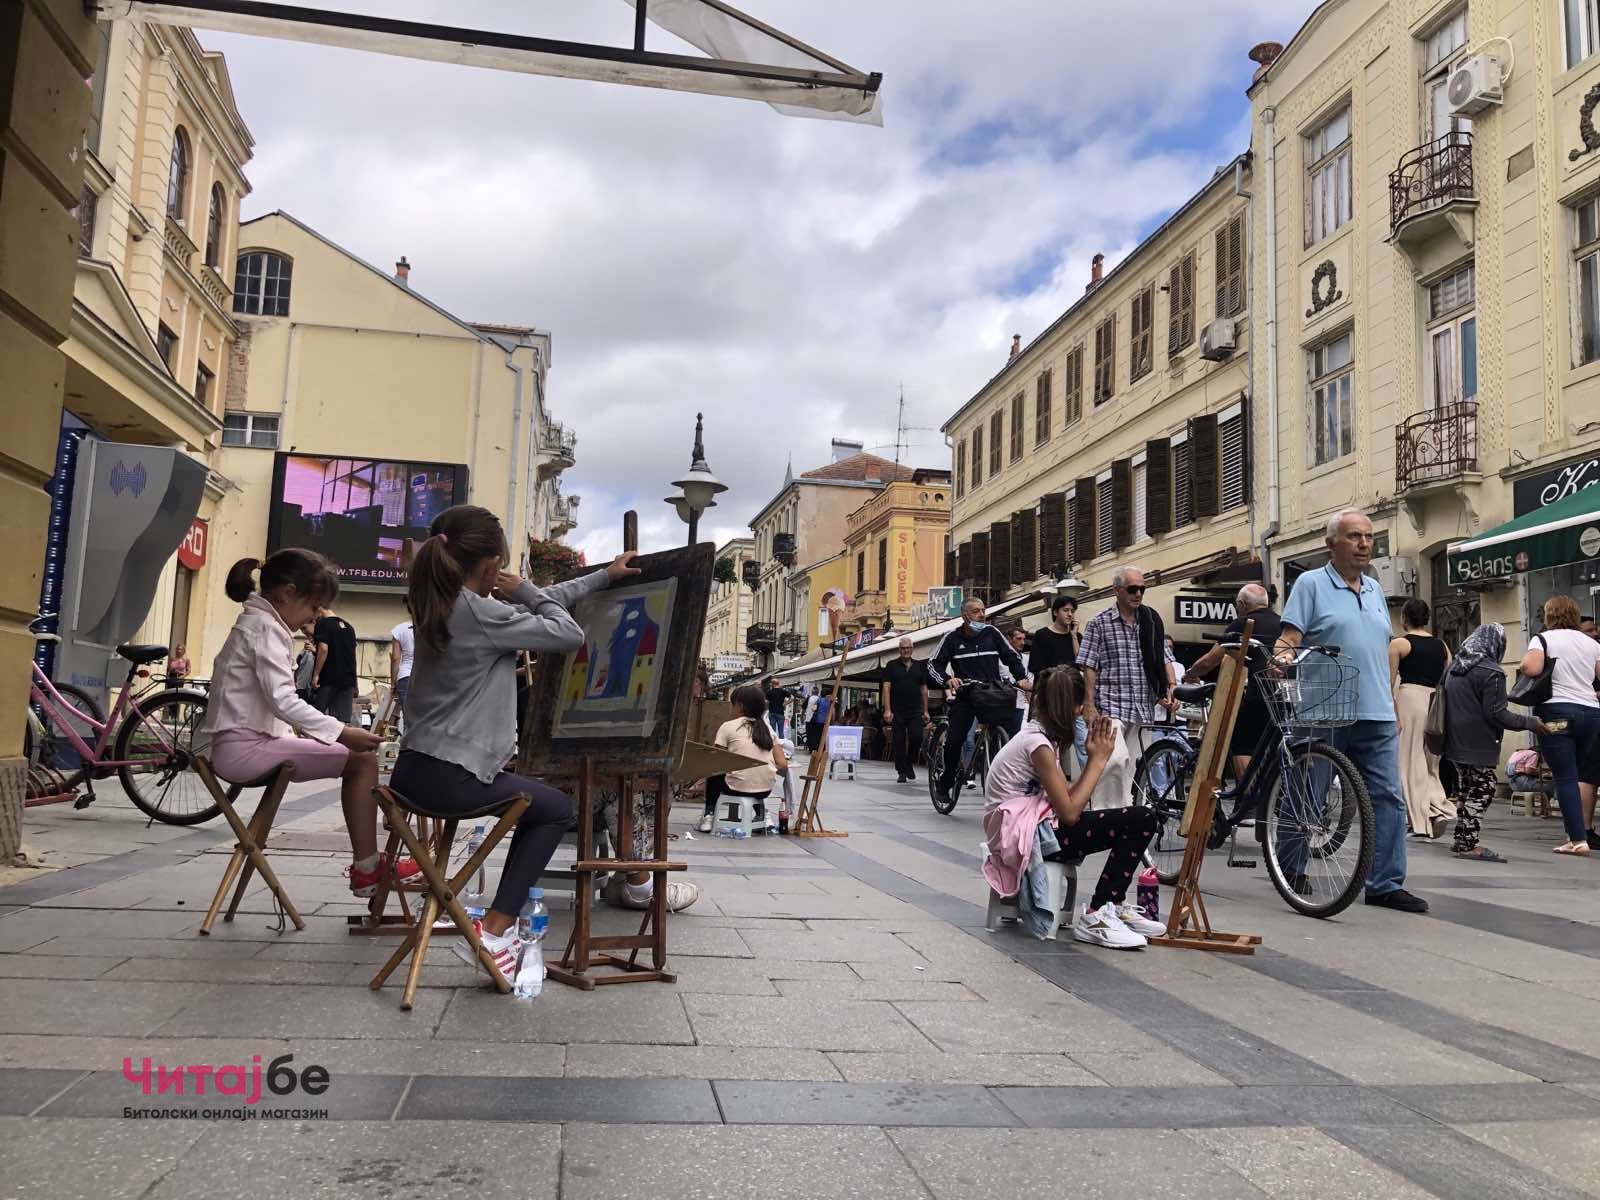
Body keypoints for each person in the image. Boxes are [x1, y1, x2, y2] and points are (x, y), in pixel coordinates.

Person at [392, 504, 636, 976]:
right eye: (498, 569)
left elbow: (538, 602)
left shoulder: (439, 603)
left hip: (415, 769)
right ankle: (496, 928)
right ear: (489, 566)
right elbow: (566, 633)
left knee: (535, 800)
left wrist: (602, 577)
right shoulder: (479, 614)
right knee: (555, 810)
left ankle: (495, 924)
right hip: (450, 775)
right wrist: (524, 588)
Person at [201, 549, 414, 897]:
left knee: (358, 759)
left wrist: (332, 734)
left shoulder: (259, 623)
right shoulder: (265, 629)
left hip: (243, 744)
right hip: (246, 749)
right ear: (286, 593)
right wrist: (342, 733)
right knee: (361, 762)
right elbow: (282, 699)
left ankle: (369, 866)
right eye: (313, 606)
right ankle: (368, 868)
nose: (312, 617)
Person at [1278, 509, 1425, 912]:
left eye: (1368, 536)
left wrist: (1392, 702)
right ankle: (1289, 866)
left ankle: (1385, 883)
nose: (1364, 544)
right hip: (1323, 708)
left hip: (1375, 710)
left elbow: (1379, 650)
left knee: (1389, 797)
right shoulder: (1310, 584)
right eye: (1354, 536)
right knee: (1309, 793)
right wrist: (1282, 659)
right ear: (1331, 544)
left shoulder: (1376, 589)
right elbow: (1289, 637)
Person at [982, 666, 1165, 949]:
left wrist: (1094, 761)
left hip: (1029, 830)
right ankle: (1098, 913)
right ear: (1077, 708)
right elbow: (1069, 812)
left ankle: (1113, 902)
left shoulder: (1038, 738)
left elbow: (1067, 803)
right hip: (1025, 839)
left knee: (1136, 819)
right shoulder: (1038, 745)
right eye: (1081, 710)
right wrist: (1097, 761)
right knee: (1140, 819)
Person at [1442, 623, 1545, 863]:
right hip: (1478, 741)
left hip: (1455, 739)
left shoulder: (1455, 667)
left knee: (1468, 788)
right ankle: (1468, 844)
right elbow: (1497, 713)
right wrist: (1530, 722)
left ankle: (1462, 839)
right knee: (1484, 788)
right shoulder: (1491, 672)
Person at [1077, 566, 1177, 805]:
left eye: (1142, 589)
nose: (1138, 594)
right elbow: (1088, 665)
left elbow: (1164, 657)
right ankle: (1103, 816)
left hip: (1142, 705)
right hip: (1110, 704)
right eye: (1133, 589)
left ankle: (1122, 818)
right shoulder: (1099, 623)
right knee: (1114, 760)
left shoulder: (1150, 620)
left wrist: (1170, 686)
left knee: (1131, 768)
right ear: (1117, 591)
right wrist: (1088, 704)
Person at [1519, 594, 1600, 856]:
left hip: (1557, 713)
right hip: (1591, 715)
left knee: (1564, 776)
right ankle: (1575, 834)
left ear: (1549, 615)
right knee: (1576, 775)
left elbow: (1531, 668)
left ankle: (1577, 840)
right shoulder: (1590, 643)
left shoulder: (1543, 639)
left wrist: (1524, 664)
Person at [927, 598, 1029, 805]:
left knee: (1007, 737)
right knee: (955, 739)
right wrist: (948, 680)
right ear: (965, 616)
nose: (982, 615)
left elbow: (1011, 656)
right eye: (976, 611)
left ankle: (1007, 782)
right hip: (965, 696)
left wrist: (1021, 678)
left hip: (991, 694)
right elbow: (932, 666)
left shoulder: (992, 633)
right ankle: (945, 783)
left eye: (983, 610)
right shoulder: (952, 639)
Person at [1184, 583, 1280, 781]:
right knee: (1273, 744)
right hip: (1287, 696)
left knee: (1241, 739)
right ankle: (1273, 793)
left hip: (1261, 695)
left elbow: (1210, 660)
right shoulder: (1282, 623)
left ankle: (1249, 796)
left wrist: (1191, 674)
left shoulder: (1243, 623)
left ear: (1242, 604)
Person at [1390, 598, 1453, 839]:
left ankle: (1419, 821)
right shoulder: (1442, 646)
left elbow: (1389, 681)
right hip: (1435, 702)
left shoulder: (1399, 645)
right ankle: (1437, 808)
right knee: (1430, 763)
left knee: (1408, 763)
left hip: (1409, 701)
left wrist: (1394, 715)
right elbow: (1448, 678)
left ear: (1404, 617)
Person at [701, 684, 789, 834]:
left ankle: (709, 815)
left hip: (735, 788)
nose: (730, 708)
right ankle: (762, 813)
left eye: (732, 704)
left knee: (714, 772)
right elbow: (782, 763)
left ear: (740, 706)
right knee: (752, 776)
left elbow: (716, 759)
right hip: (765, 790)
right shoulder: (768, 729)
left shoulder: (728, 727)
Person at [882, 637, 930, 783]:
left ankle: (908, 763)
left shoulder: (920, 666)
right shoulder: (891, 665)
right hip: (898, 711)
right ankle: (901, 771)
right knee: (898, 742)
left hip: (916, 710)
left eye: (908, 648)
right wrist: (887, 710)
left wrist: (926, 710)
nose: (906, 650)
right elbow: (886, 687)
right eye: (903, 648)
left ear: (912, 649)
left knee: (917, 738)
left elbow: (924, 689)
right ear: (899, 649)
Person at [311, 603, 359, 721]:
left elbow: (323, 649)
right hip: (348, 681)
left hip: (328, 679)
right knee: (341, 723)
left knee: (318, 720)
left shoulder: (323, 624)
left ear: (319, 609)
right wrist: (355, 684)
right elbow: (352, 656)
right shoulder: (349, 627)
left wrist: (316, 674)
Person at [1028, 596, 1080, 673]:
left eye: (1072, 611)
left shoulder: (1077, 636)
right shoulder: (1042, 635)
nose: (1070, 614)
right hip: (1049, 682)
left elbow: (1082, 665)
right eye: (1065, 610)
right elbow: (1034, 666)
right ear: (1055, 612)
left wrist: (1074, 636)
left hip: (1073, 683)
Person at [389, 604, 415, 722]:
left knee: (407, 720)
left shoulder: (399, 629)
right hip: (425, 678)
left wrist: (393, 684)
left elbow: (395, 658)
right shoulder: (430, 627)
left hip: (405, 676)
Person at [292, 621, 316, 704]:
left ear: (313, 623)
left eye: (304, 628)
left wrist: (315, 651)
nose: (303, 632)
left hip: (312, 688)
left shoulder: (323, 643)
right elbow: (299, 665)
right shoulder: (309, 644)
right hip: (301, 686)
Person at [802, 687, 832, 752]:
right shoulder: (830, 701)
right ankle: (823, 749)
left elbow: (814, 709)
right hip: (826, 721)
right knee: (823, 736)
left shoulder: (819, 700)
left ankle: (816, 749)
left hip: (818, 720)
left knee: (817, 735)